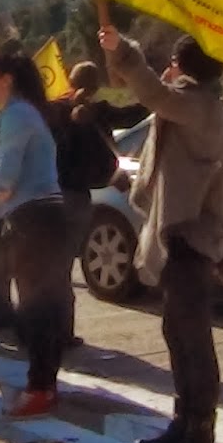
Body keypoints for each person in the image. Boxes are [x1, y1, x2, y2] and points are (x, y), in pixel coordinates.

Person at [101, 28, 223, 443]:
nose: (169, 72)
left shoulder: (198, 105)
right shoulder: (205, 102)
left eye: (175, 64)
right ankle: (184, 424)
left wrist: (124, 53)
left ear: (184, 67)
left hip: (193, 237)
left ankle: (201, 442)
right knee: (177, 334)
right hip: (184, 235)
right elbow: (159, 96)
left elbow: (154, 95)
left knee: (194, 341)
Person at [0, 45, 67, 419]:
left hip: (34, 219)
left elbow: (4, 182)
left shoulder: (15, 116)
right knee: (38, 305)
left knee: (37, 308)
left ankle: (41, 387)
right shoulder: (16, 114)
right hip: (36, 218)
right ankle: (43, 384)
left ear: (6, 81)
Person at [48, 60, 151, 348]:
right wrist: (151, 91)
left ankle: (48, 329)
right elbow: (133, 115)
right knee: (63, 268)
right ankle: (62, 332)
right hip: (75, 195)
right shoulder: (82, 113)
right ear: (94, 86)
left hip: (52, 195)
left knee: (55, 268)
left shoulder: (55, 111)